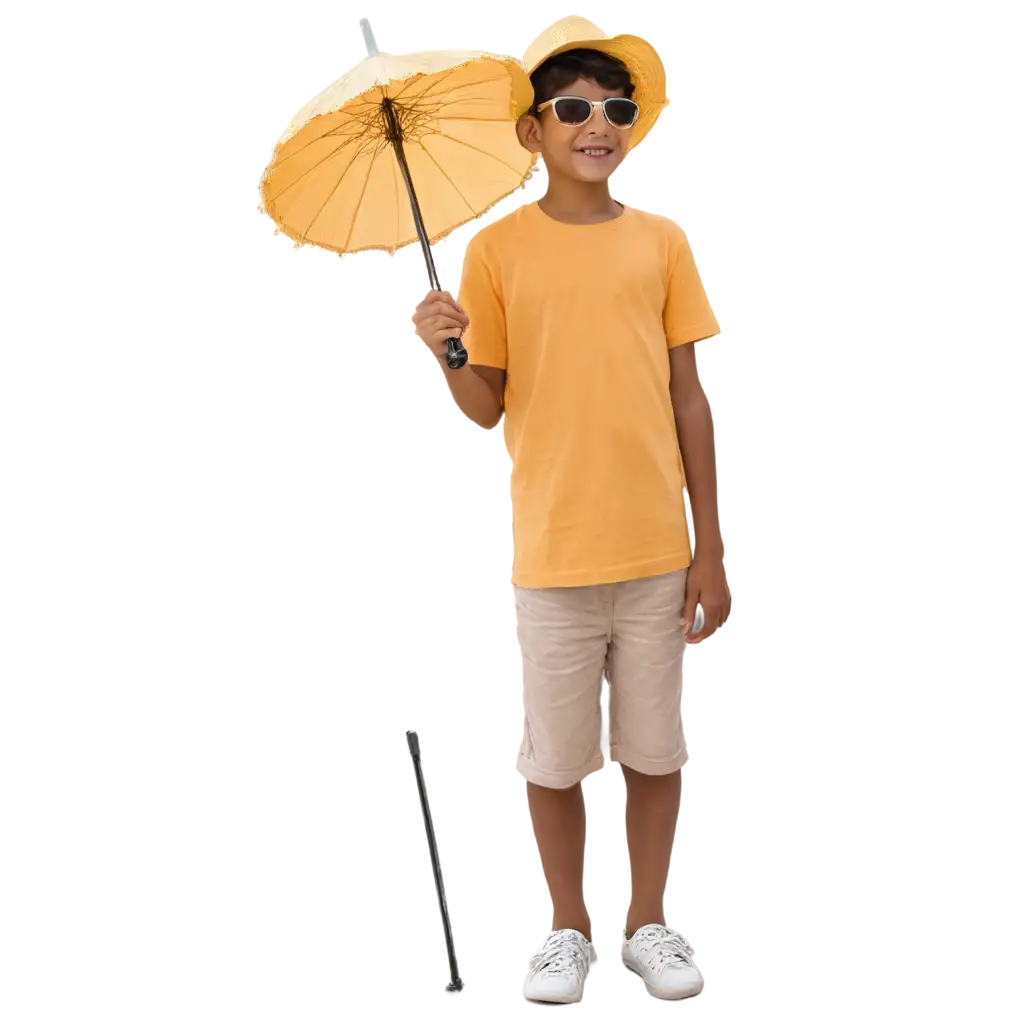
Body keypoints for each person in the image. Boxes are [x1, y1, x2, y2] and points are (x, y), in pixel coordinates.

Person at [408, 17, 733, 1007]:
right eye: (575, 107)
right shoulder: (499, 253)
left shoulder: (662, 243)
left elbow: (690, 397)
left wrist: (708, 550)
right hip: (552, 550)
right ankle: (562, 929)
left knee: (652, 750)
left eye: (617, 107)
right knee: (552, 759)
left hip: (655, 549)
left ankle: (647, 920)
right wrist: (445, 354)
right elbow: (486, 409)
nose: (600, 123)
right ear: (532, 132)